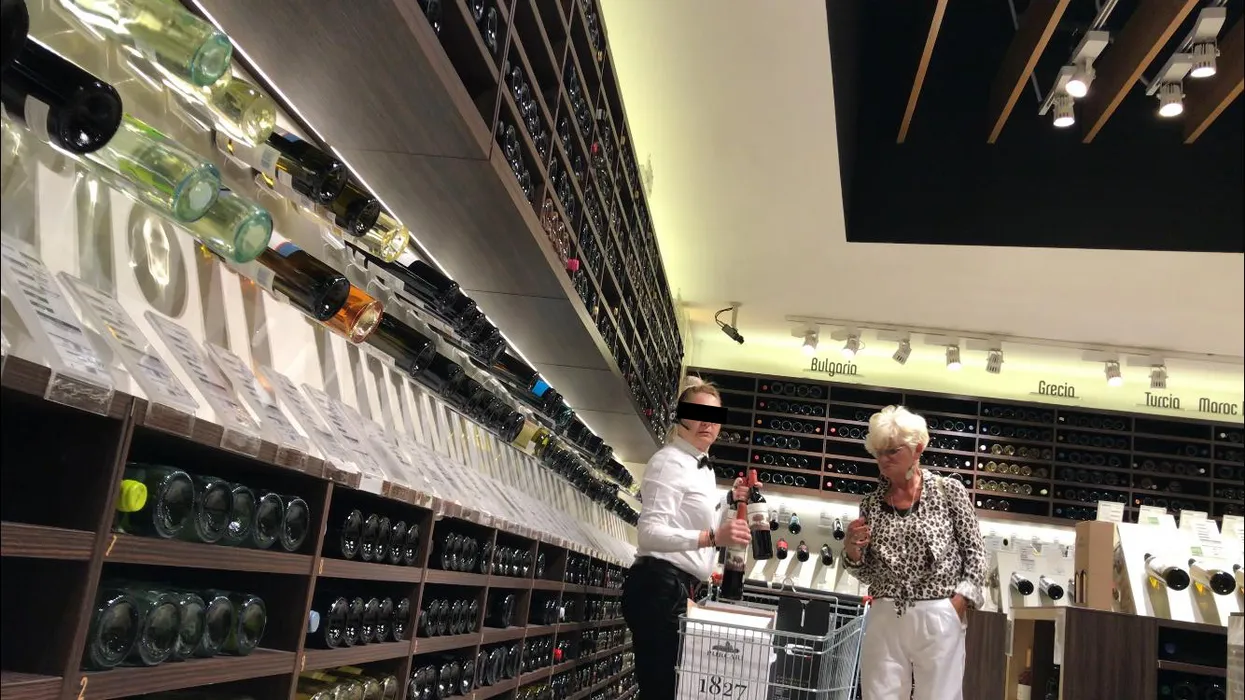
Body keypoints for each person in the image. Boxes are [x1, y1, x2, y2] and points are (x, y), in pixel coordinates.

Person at [842, 405, 986, 700]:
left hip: (938, 613)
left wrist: (958, 603)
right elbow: (867, 572)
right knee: (878, 695)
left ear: (917, 448)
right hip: (885, 614)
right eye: (878, 452)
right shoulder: (871, 504)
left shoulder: (948, 492)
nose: (883, 459)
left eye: (892, 451)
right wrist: (852, 550)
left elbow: (975, 553)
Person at [621, 377, 752, 698]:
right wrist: (712, 537)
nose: (707, 423)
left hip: (677, 589)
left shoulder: (701, 467)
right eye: (697, 413)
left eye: (714, 416)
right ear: (681, 417)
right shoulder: (669, 462)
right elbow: (649, 534)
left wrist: (731, 501)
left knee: (672, 690)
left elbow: (699, 520)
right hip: (659, 588)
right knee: (663, 691)